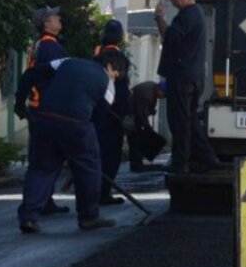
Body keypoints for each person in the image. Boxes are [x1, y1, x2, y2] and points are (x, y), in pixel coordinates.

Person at [16, 50, 128, 234]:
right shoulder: (108, 85)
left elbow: (31, 74)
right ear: (110, 66)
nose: (115, 78)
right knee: (90, 169)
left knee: (41, 169)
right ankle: (89, 216)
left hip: (43, 119)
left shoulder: (67, 62)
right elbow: (97, 121)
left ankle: (28, 216)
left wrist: (20, 103)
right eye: (116, 74)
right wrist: (81, 158)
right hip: (76, 125)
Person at [155, 0, 220, 174]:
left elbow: (170, 38)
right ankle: (206, 158)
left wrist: (159, 18)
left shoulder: (187, 16)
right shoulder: (195, 14)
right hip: (192, 77)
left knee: (180, 122)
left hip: (182, 78)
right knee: (188, 120)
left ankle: (181, 161)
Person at [18, 5, 70, 215]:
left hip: (38, 108)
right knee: (47, 160)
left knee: (42, 158)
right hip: (47, 110)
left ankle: (44, 200)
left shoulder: (40, 45)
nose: (58, 18)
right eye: (54, 16)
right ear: (47, 24)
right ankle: (38, 204)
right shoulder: (51, 48)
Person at [91, 19, 132, 205]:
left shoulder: (96, 55)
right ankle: (103, 193)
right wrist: (127, 113)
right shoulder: (119, 58)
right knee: (111, 155)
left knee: (96, 152)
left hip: (95, 112)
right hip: (113, 114)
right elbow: (122, 90)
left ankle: (93, 192)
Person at [128, 80, 167, 172]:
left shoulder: (151, 88)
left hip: (134, 115)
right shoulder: (147, 94)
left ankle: (137, 163)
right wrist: (147, 127)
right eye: (164, 95)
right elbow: (141, 114)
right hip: (132, 117)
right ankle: (137, 165)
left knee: (137, 139)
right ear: (160, 89)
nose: (162, 97)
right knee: (136, 139)